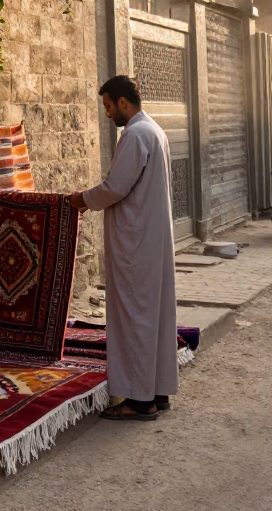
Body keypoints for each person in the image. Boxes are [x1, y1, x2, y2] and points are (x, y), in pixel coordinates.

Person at [69, 75, 177, 421]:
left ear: (122, 103)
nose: (106, 113)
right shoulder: (155, 131)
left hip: (136, 243)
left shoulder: (134, 135)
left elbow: (115, 187)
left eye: (107, 106)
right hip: (150, 239)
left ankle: (138, 400)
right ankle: (156, 391)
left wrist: (81, 200)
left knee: (134, 318)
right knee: (152, 316)